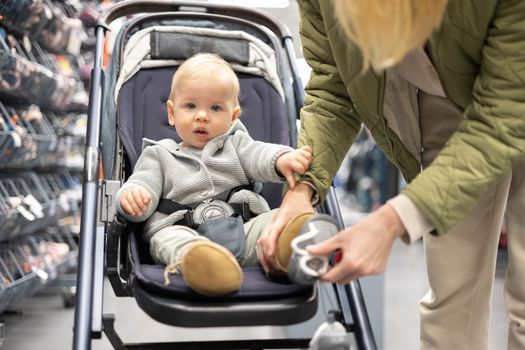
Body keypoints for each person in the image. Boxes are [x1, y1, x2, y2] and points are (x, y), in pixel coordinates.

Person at [257, 1, 525, 349]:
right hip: (441, 99)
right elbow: (334, 86)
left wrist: (391, 221)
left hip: (514, 90)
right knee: (451, 298)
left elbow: (503, 116)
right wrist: (301, 189)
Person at [115, 53, 312, 297]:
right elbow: (142, 183)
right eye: (190, 106)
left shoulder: (237, 145)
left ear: (233, 116)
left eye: (216, 108)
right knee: (166, 239)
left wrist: (281, 159)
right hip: (184, 231)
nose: (202, 115)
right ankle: (203, 266)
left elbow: (259, 154)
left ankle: (284, 250)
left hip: (244, 229)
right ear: (171, 112)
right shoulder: (158, 155)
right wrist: (134, 197)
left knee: (278, 219)